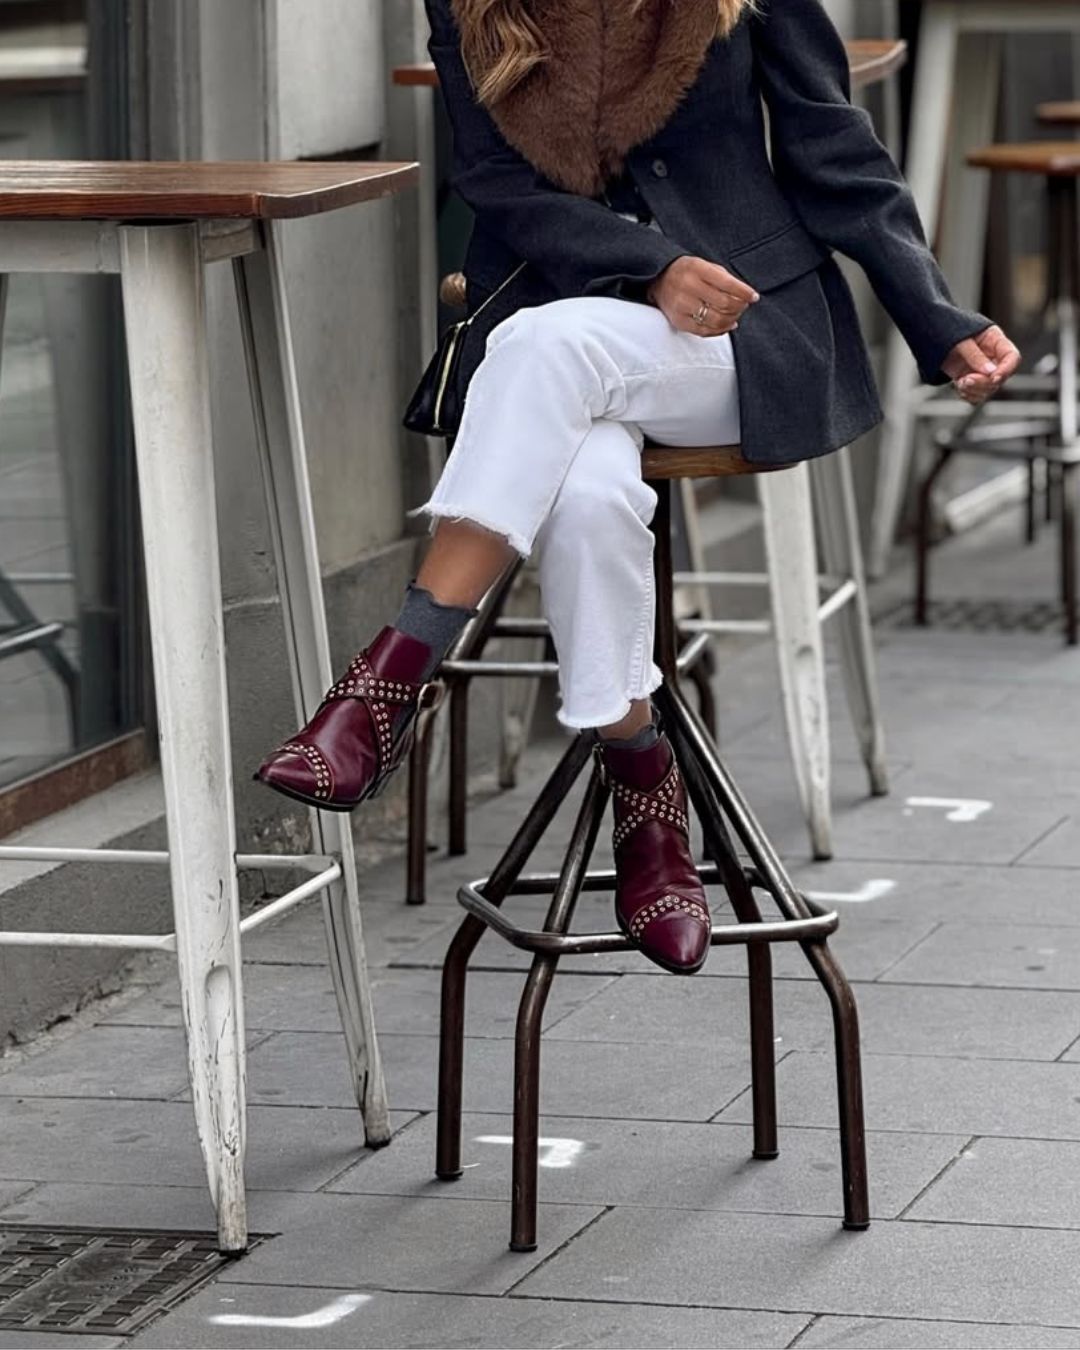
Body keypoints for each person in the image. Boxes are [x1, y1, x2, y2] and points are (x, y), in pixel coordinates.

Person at [257, 0, 1020, 976]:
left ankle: (388, 683)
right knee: (585, 497)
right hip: (571, 328)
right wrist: (645, 264)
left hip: (732, 333)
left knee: (543, 347)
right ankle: (642, 780)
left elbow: (835, 152)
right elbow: (492, 182)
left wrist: (936, 314)